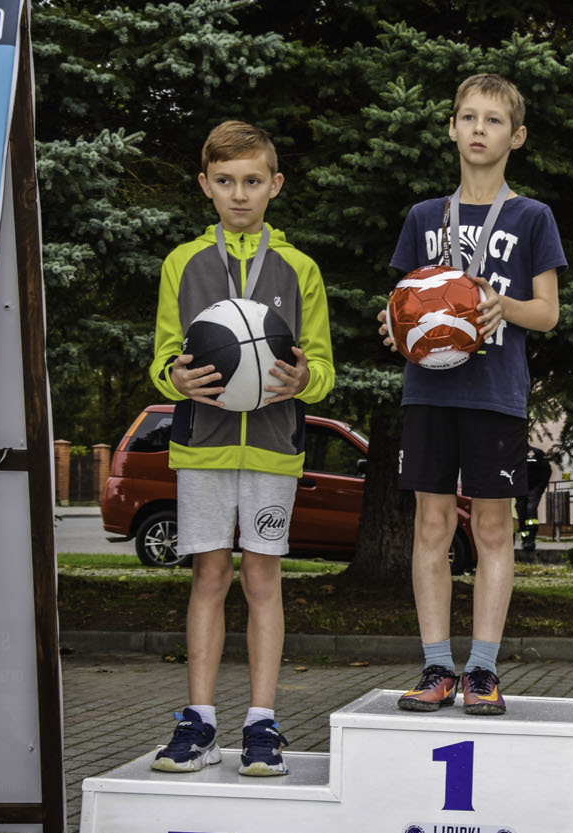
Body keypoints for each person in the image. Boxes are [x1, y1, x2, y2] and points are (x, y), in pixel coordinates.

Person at [147, 120, 334, 775]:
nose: (239, 194)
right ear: (206, 185)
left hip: (274, 449)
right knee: (209, 575)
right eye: (225, 181)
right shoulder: (183, 263)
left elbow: (323, 368)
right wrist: (173, 377)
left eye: (252, 181)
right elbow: (163, 356)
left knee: (261, 578)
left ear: (274, 185)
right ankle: (199, 723)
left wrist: (305, 379)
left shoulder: (300, 269)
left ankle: (262, 723)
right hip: (203, 447)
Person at [378, 73, 566, 715]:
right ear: (452, 128)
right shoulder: (423, 216)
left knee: (490, 526)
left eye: (494, 120)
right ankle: (436, 665)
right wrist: (395, 326)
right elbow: (404, 302)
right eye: (469, 117)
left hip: (494, 394)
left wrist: (501, 307)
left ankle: (482, 670)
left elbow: (548, 313)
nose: (479, 129)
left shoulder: (532, 217)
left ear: (517, 136)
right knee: (431, 523)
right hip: (428, 393)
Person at [516, 445, 552, 552]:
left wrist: (540, 487)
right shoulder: (515, 453)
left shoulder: (536, 453)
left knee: (531, 510)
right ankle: (525, 539)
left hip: (534, 489)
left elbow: (547, 470)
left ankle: (531, 539)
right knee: (521, 514)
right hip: (520, 491)